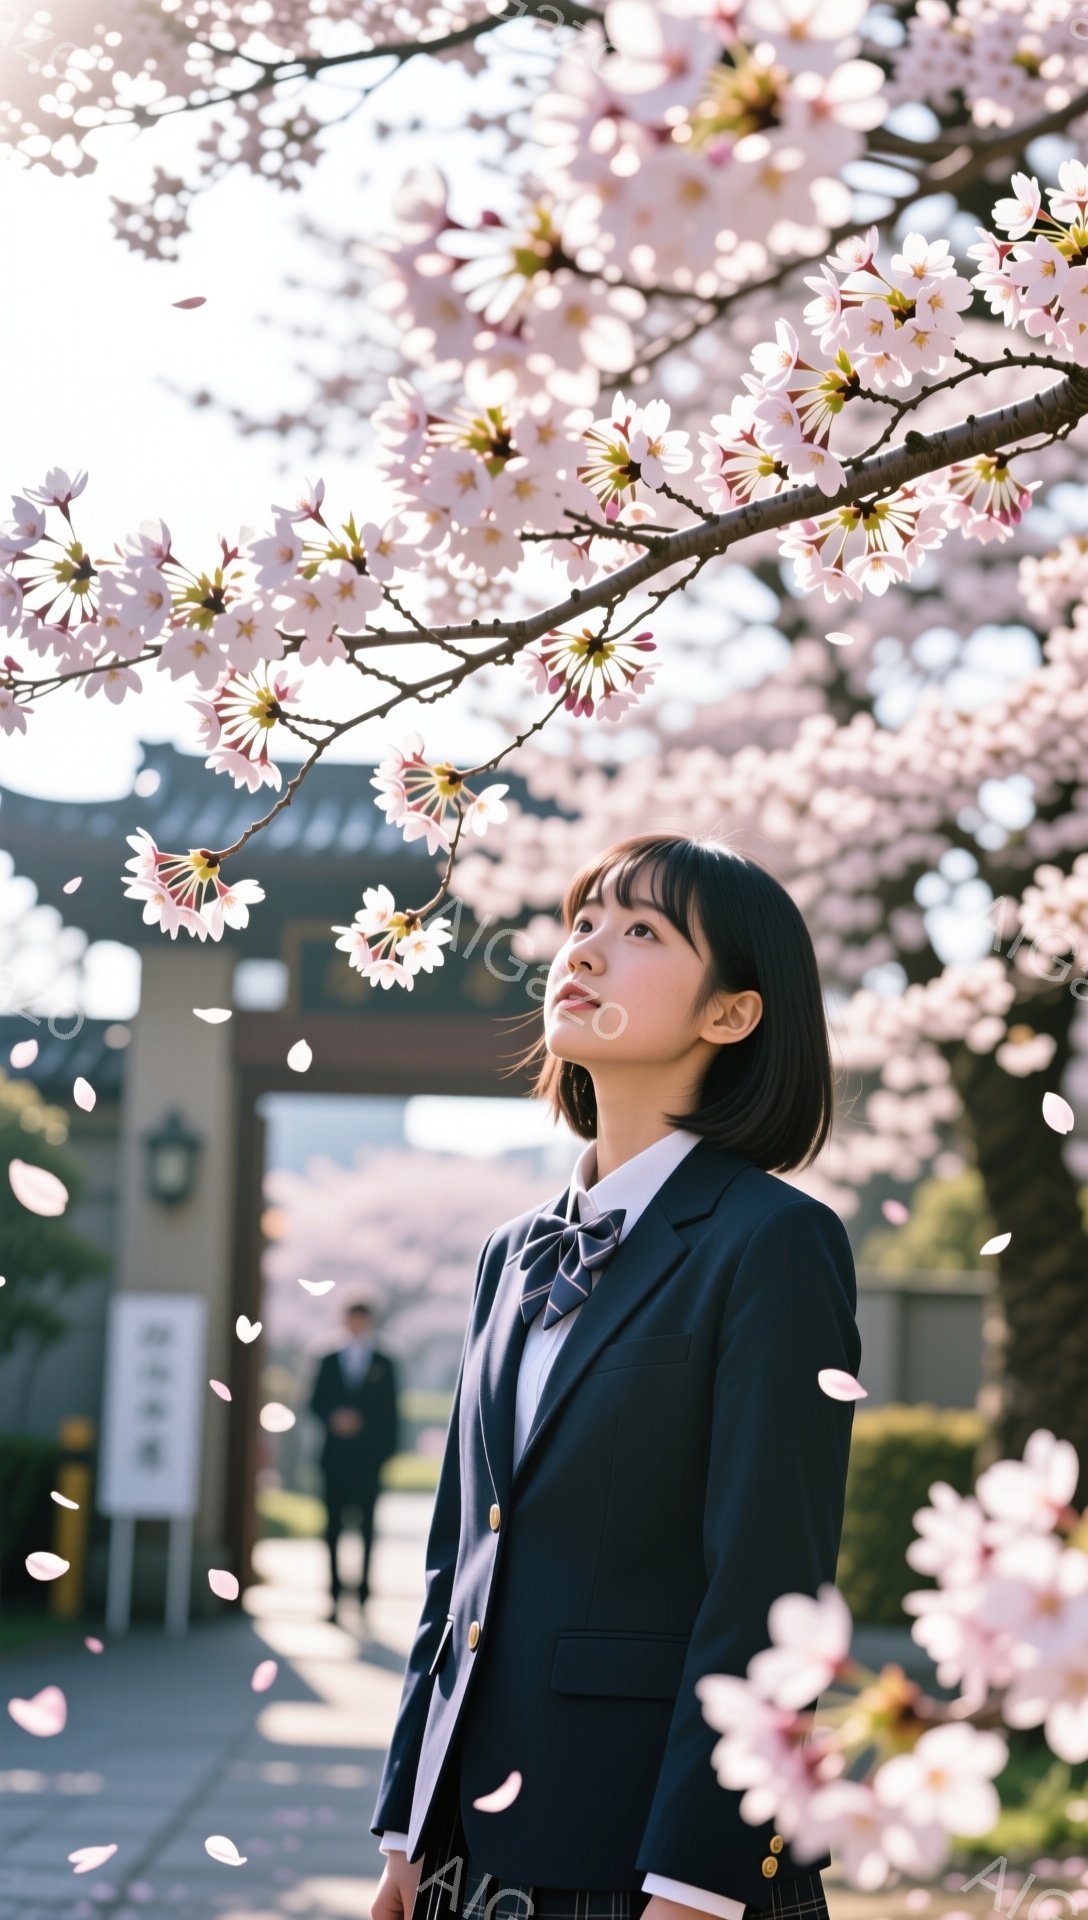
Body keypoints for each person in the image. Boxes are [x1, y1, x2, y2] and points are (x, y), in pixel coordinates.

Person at [370, 832, 863, 1920]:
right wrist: (407, 1827)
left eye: (639, 931)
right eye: (583, 922)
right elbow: (461, 1554)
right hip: (464, 1846)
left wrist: (696, 1879)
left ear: (730, 1014)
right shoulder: (513, 1249)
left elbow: (767, 1583)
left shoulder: (771, 1242)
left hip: (648, 1852)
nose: (584, 950)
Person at [309, 1296, 399, 1613]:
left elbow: (391, 1412)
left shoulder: (384, 1361)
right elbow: (314, 1401)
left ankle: (363, 1592)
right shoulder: (328, 1358)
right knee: (332, 1527)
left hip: (368, 1459)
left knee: (366, 1528)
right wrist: (334, 1417)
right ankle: (333, 1593)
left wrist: (382, 1452)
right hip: (334, 1458)